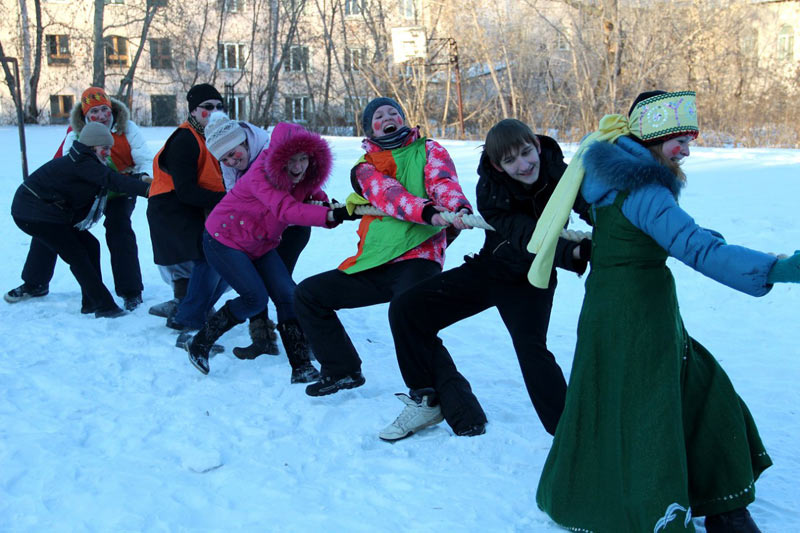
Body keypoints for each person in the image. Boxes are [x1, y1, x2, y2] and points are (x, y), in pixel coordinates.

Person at [535, 90, 799, 533]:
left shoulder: (608, 173)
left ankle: (718, 502)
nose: (687, 150)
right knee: (654, 406)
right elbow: (695, 247)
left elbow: (655, 234)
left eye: (690, 138)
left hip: (610, 308)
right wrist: (779, 268)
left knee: (674, 391)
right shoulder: (647, 189)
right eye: (679, 138)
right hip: (640, 314)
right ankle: (668, 507)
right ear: (654, 135)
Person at [379, 119, 591, 441]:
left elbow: (590, 204)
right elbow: (524, 235)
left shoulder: (560, 171)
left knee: (532, 352)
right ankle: (427, 398)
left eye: (526, 152)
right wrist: (571, 253)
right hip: (493, 268)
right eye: (510, 160)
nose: (523, 164)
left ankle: (571, 437)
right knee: (407, 309)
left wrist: (612, 228)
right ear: (497, 165)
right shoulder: (490, 189)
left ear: (535, 143)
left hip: (532, 280)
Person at [294, 96, 472, 397]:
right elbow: (389, 195)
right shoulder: (364, 168)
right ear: (370, 130)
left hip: (419, 256)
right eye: (380, 115)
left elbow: (444, 183)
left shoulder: (429, 149)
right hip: (375, 261)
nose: (389, 116)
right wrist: (429, 212)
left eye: (394, 112)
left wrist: (458, 209)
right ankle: (342, 370)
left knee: (408, 317)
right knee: (308, 294)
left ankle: (449, 403)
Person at [186, 122, 349, 379]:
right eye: (290, 160)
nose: (297, 167)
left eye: (303, 159)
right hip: (223, 239)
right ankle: (200, 343)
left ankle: (301, 367)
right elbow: (287, 210)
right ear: (278, 157)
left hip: (261, 243)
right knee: (255, 298)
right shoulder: (260, 175)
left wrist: (330, 206)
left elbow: (314, 194)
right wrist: (329, 214)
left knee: (288, 294)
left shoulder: (304, 175)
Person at [5, 87, 152, 311]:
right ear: (85, 117)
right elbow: (72, 169)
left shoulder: (127, 128)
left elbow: (144, 158)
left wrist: (146, 180)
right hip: (91, 190)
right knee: (53, 227)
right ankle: (35, 282)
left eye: (105, 110)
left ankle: (130, 290)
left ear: (112, 110)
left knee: (119, 227)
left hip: (122, 186)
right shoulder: (76, 134)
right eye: (94, 112)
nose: (101, 116)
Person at [202, 112, 314, 360]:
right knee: (256, 285)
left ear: (243, 142)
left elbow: (303, 186)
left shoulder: (271, 151)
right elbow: (234, 195)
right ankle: (263, 340)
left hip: (291, 229)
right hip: (256, 233)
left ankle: (306, 342)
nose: (231, 161)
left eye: (234, 153)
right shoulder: (231, 166)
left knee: (282, 287)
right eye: (225, 158)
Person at [146, 83, 228, 335]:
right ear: (193, 111)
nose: (214, 111)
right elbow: (186, 190)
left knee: (209, 259)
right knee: (205, 258)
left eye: (219, 107)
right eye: (207, 107)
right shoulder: (184, 139)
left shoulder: (210, 136)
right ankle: (190, 313)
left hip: (192, 206)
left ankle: (189, 309)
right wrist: (226, 199)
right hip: (171, 208)